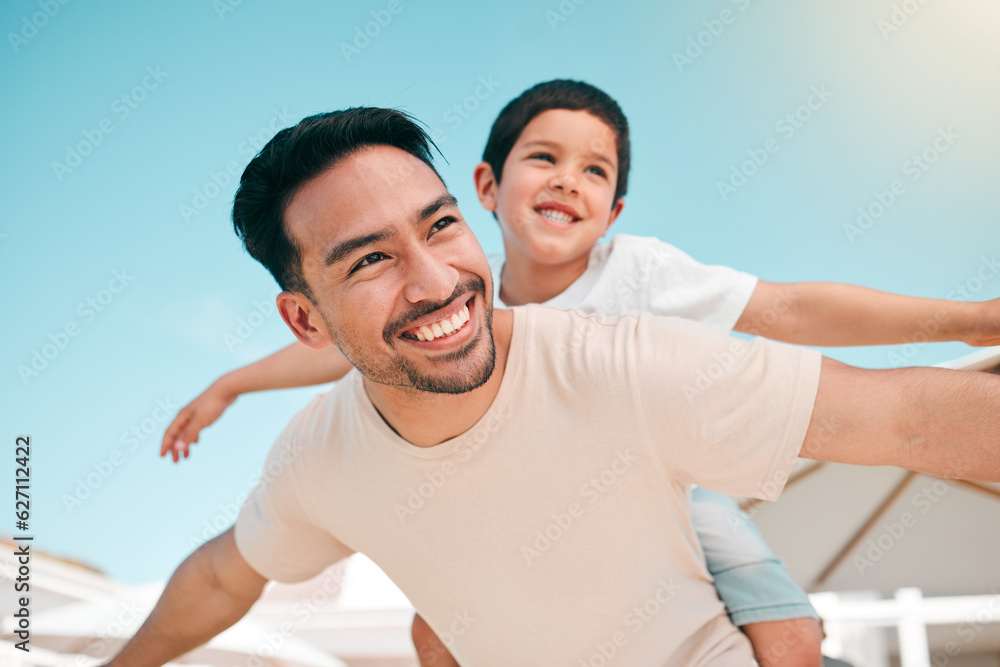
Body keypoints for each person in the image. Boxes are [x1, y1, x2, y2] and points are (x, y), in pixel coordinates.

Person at [109, 106, 1000, 667]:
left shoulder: (629, 346)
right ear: (306, 318)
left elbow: (913, 414)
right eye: (371, 259)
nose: (434, 280)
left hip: (694, 524)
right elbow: (227, 574)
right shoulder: (318, 455)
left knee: (778, 613)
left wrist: (971, 318)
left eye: (438, 227)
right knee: (431, 633)